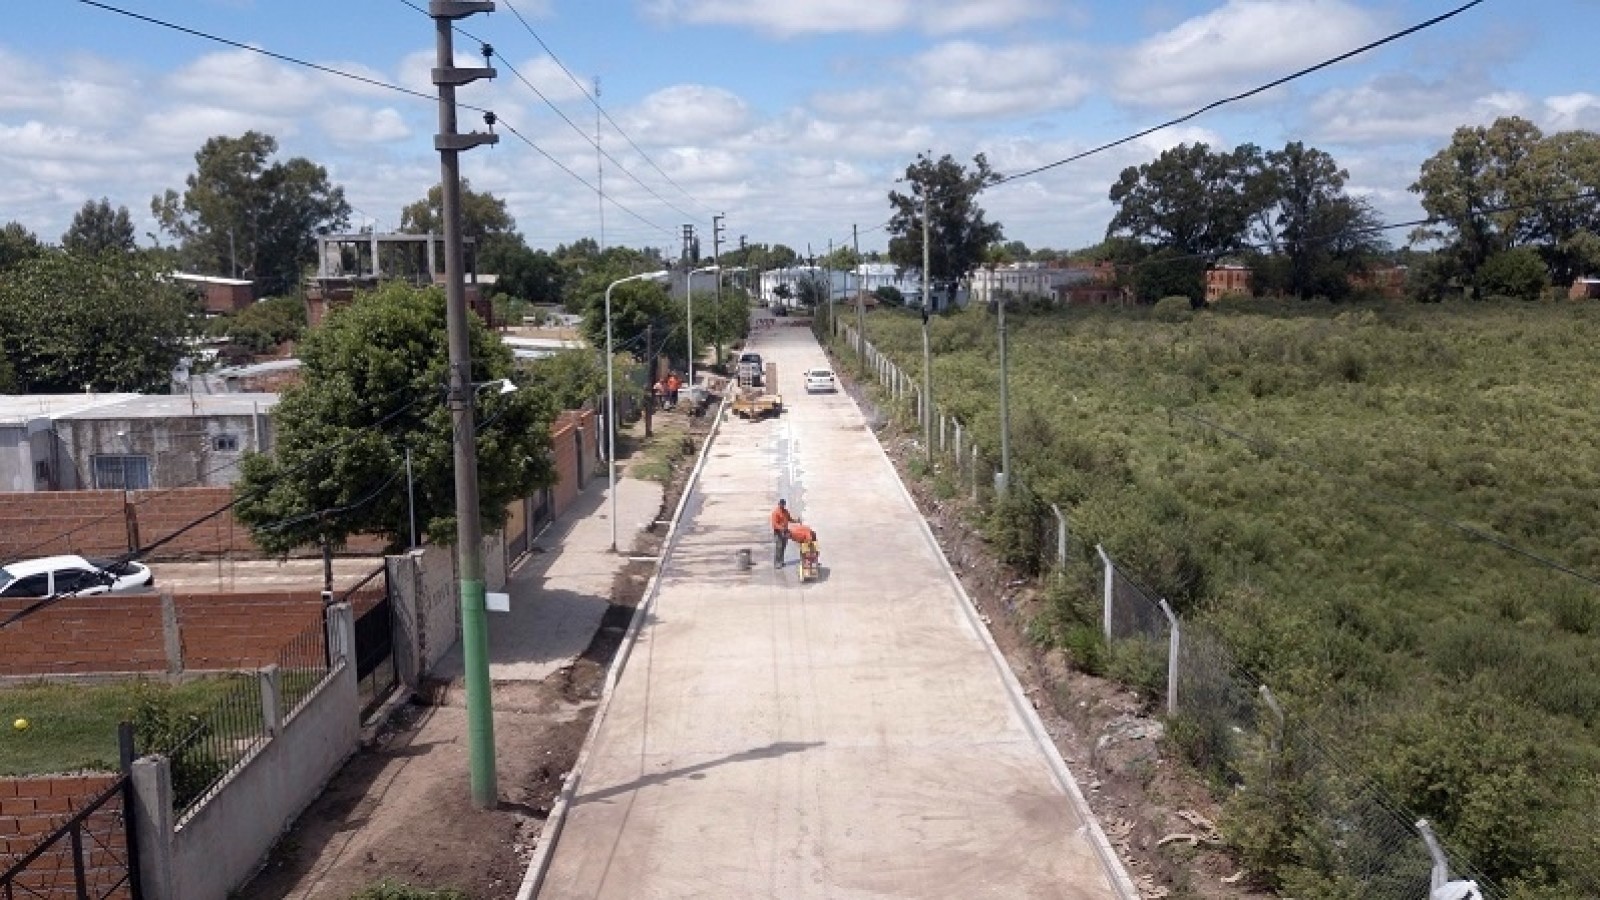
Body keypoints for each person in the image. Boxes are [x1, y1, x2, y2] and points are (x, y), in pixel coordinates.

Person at [770, 499, 793, 568]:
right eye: (781, 505)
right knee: (779, 547)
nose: (782, 506)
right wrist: (781, 528)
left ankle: (781, 561)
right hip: (778, 532)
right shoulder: (775, 513)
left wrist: (796, 520)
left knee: (783, 547)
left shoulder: (786, 512)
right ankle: (777, 563)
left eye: (783, 505)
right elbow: (774, 524)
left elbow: (789, 519)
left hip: (785, 531)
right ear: (779, 504)